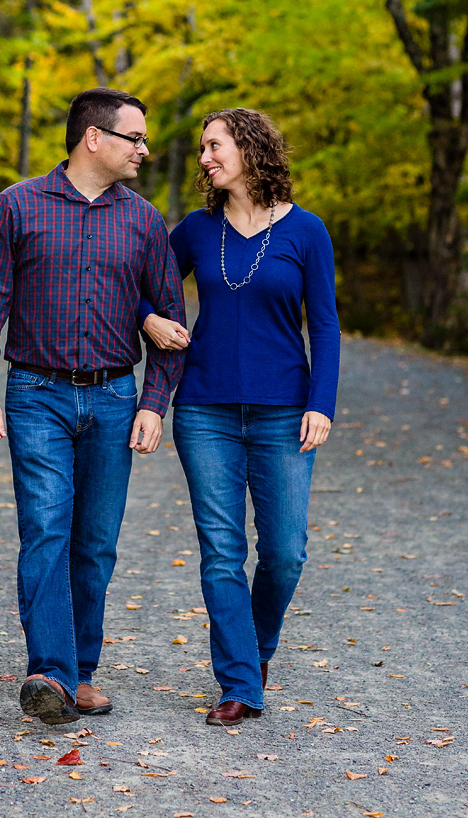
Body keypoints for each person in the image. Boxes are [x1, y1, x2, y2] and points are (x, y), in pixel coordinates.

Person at [0, 88, 185, 725]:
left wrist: (153, 403)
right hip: (36, 396)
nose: (144, 149)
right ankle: (50, 675)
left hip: (115, 398)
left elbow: (171, 320)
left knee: (95, 544)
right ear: (94, 138)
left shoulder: (143, 221)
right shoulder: (17, 206)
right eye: (134, 138)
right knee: (46, 530)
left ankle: (81, 672)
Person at [142, 108, 340, 726]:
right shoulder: (196, 232)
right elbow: (142, 286)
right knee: (222, 553)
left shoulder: (307, 232)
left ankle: (251, 658)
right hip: (204, 410)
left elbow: (326, 325)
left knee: (285, 553)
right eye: (202, 148)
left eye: (214, 145)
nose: (205, 157)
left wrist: (322, 403)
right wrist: (149, 319)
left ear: (251, 150)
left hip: (285, 410)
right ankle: (239, 682)